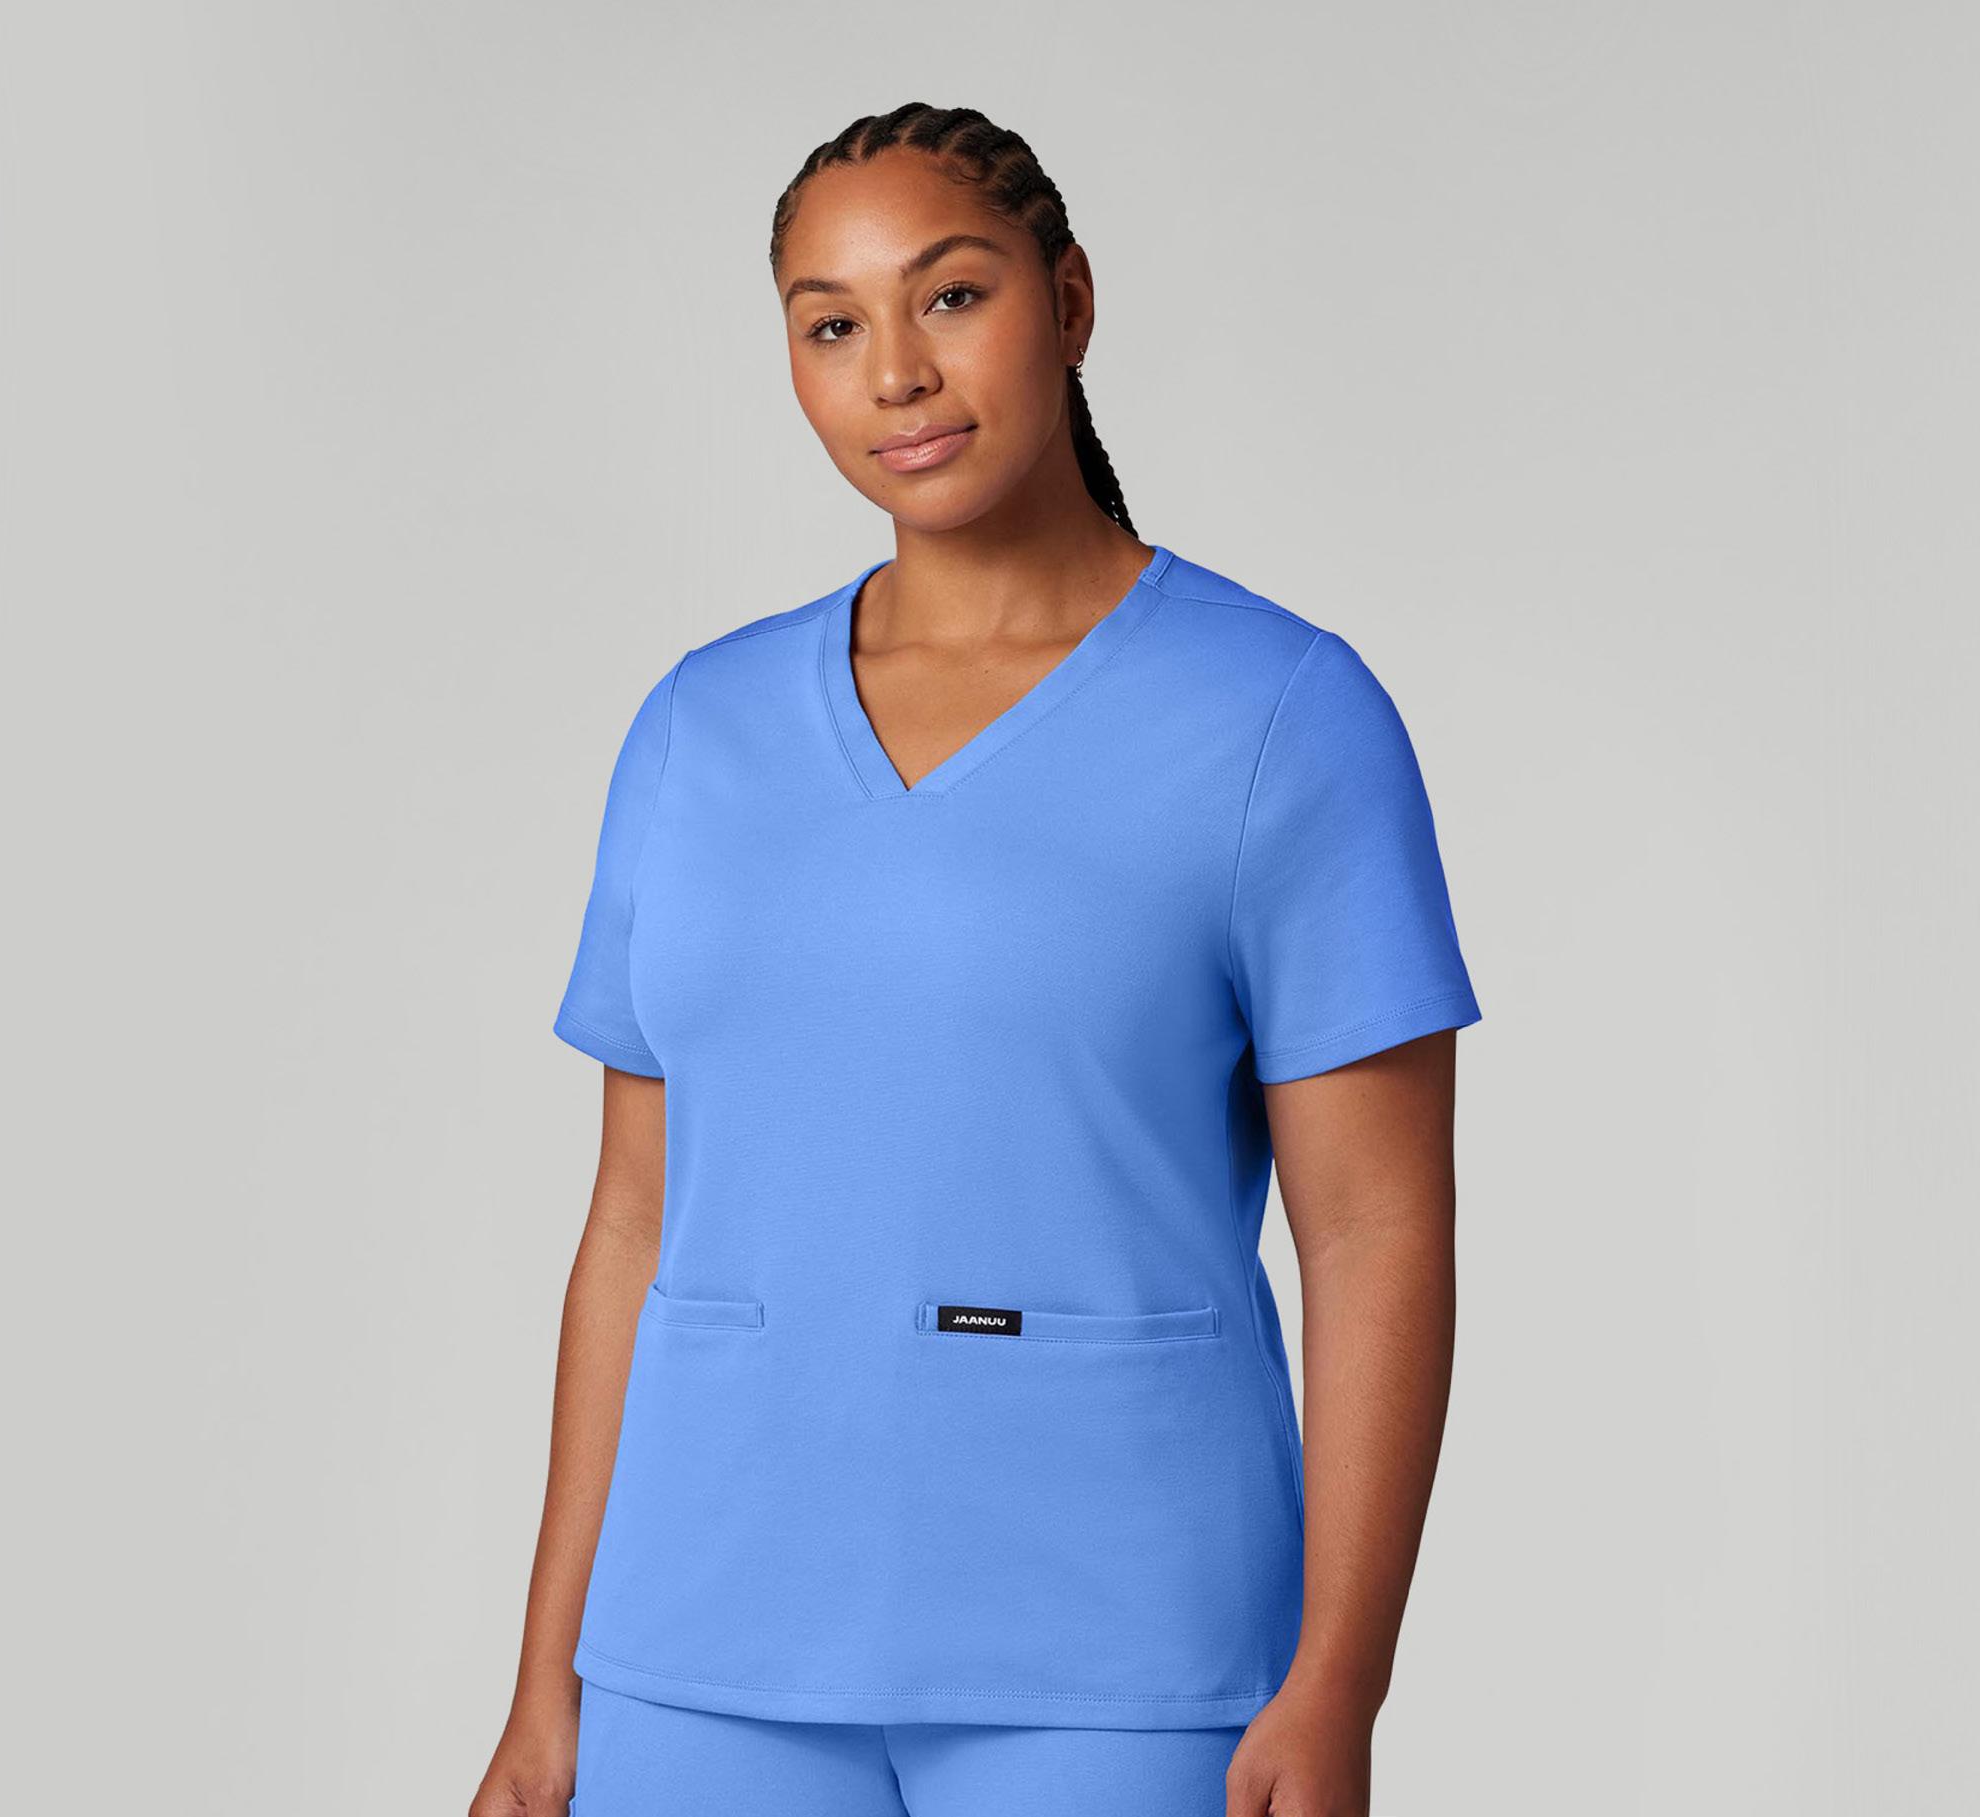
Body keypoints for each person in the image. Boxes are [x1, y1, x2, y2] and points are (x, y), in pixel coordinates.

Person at [471, 101, 1482, 1817]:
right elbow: (632, 1224)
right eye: (831, 325)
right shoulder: (699, 726)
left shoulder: (1282, 716)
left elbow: (1376, 1228)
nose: (897, 374)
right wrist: (544, 1684)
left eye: (951, 295)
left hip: (1122, 1655)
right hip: (697, 1654)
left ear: (1069, 300)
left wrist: (1340, 1678)